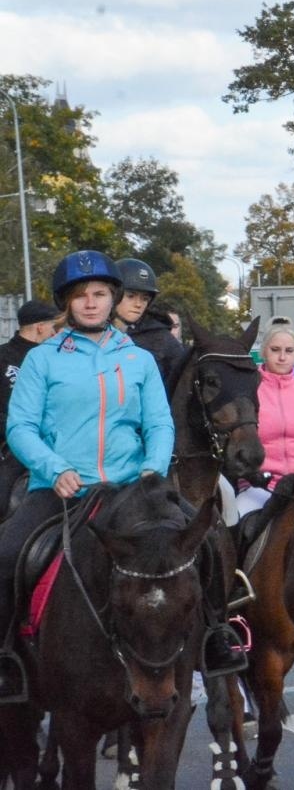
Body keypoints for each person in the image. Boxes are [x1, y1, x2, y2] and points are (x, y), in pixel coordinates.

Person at [0, 251, 175, 702]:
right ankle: (7, 659)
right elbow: (20, 427)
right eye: (81, 296)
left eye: (99, 294)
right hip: (60, 489)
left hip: (130, 490)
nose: (91, 303)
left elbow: (159, 423)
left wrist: (153, 468)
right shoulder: (42, 359)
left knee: (201, 542)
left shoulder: (138, 359)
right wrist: (54, 468)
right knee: (6, 554)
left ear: (113, 298)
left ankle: (214, 639)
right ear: (67, 303)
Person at [240, 319, 294, 517]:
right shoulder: (248, 390)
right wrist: (250, 476)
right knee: (236, 520)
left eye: (289, 351)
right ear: (263, 352)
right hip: (260, 486)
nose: (282, 357)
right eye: (275, 350)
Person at [0, 299, 61, 502]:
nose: (56, 333)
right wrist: (18, 431)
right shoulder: (3, 357)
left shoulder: (56, 358)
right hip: (12, 447)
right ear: (40, 327)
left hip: (54, 444)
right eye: (53, 327)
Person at [113, 258, 188, 393]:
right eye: (130, 296)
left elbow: (184, 386)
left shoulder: (162, 339)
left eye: (145, 299)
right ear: (113, 295)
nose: (138, 304)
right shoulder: (93, 332)